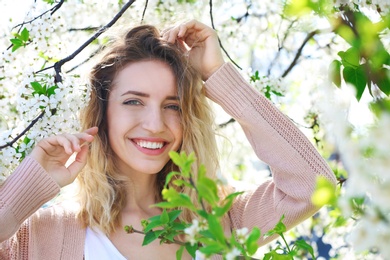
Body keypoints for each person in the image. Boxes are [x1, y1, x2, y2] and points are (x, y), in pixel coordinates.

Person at [0, 20, 336, 259]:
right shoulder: (42, 235)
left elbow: (313, 185)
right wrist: (30, 183)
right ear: (101, 114)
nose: (155, 123)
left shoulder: (219, 222)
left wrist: (217, 75)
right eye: (134, 101)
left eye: (172, 105)